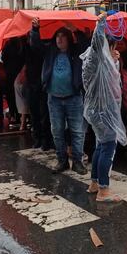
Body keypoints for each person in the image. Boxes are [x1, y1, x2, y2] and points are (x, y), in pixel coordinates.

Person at [28, 17, 88, 174]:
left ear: (69, 39)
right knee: (57, 131)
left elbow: (85, 45)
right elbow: (35, 45)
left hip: (73, 98)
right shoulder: (50, 51)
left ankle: (77, 162)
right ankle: (62, 160)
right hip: (54, 98)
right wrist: (35, 30)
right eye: (57, 37)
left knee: (77, 131)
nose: (60, 39)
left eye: (63, 37)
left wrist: (75, 30)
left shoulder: (76, 51)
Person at [82, 15, 127, 202]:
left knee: (101, 145)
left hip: (98, 110)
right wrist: (100, 25)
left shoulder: (101, 62)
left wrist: (115, 61)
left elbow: (112, 81)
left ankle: (94, 183)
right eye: (112, 47)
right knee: (108, 146)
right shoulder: (95, 58)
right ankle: (103, 190)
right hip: (102, 111)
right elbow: (97, 43)